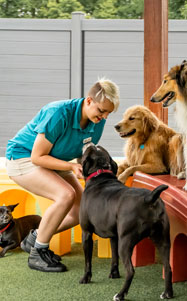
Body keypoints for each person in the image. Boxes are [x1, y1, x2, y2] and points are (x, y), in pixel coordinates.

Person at [5, 78, 120, 272]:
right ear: (89, 101)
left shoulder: (96, 121)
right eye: (102, 110)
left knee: (81, 211)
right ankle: (38, 253)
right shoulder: (58, 113)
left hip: (55, 160)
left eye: (109, 112)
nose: (105, 117)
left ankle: (34, 238)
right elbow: (37, 157)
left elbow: (82, 152)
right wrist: (71, 167)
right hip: (23, 158)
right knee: (65, 194)